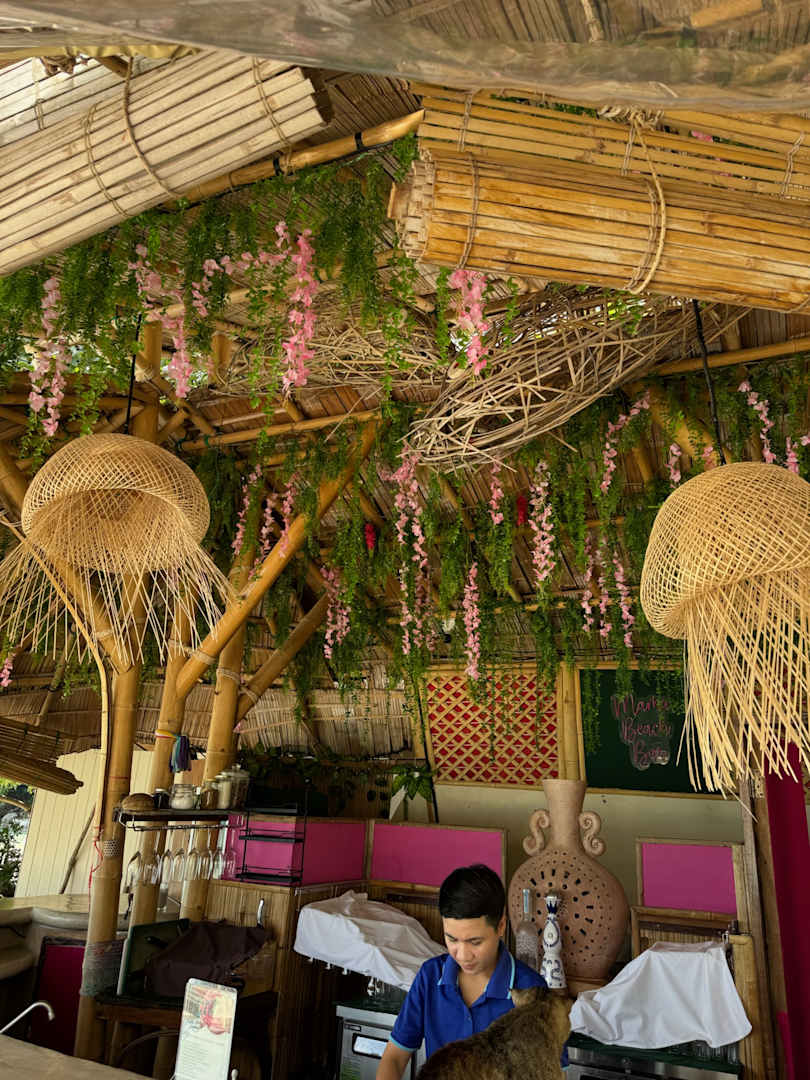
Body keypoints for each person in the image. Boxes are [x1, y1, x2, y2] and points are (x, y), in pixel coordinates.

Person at [376, 864, 566, 1080]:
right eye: (452, 939)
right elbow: (394, 1058)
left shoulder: (532, 991)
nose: (463, 955)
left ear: (501, 926)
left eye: (475, 942)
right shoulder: (430, 976)